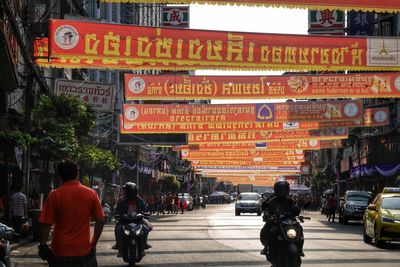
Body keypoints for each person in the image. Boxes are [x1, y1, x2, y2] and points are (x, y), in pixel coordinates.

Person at [38, 158, 105, 267]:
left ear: (60, 175)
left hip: (60, 251)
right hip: (83, 250)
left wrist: (42, 245)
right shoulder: (91, 194)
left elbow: (46, 224)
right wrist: (93, 243)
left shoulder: (54, 195)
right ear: (77, 173)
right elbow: (100, 221)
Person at [260, 179, 301, 262]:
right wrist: (268, 216)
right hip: (276, 223)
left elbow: (296, 210)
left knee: (300, 229)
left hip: (289, 223)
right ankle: (268, 249)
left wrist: (297, 210)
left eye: (285, 190)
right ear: (277, 190)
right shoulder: (271, 201)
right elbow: (266, 210)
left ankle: (300, 249)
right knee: (271, 232)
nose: (284, 192)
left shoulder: (290, 201)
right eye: (282, 190)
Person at [113, 182, 152, 256]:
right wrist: (117, 215)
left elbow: (145, 209)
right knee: (118, 228)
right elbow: (117, 211)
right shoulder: (122, 200)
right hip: (125, 220)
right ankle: (119, 246)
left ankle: (144, 244)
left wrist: (146, 213)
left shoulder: (139, 200)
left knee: (146, 229)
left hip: (138, 220)